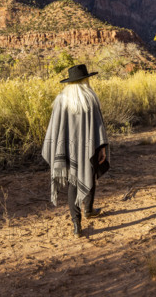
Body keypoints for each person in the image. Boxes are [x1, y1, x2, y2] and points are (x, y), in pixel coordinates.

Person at [42, 64, 110, 237]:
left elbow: (54, 129)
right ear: (85, 79)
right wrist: (102, 148)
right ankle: (88, 210)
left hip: (67, 148)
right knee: (90, 172)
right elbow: (98, 126)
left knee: (73, 182)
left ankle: (76, 224)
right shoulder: (90, 98)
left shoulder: (61, 100)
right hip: (88, 146)